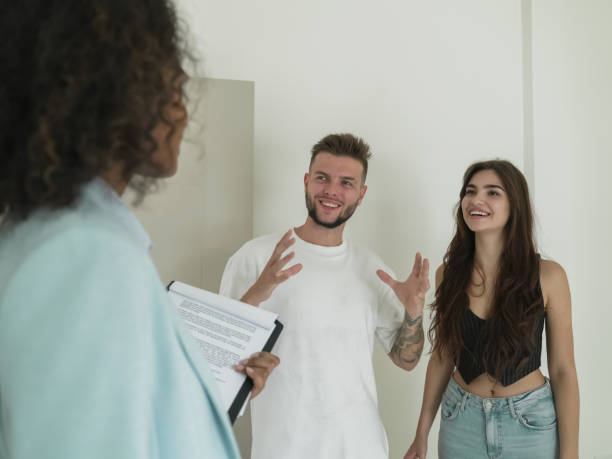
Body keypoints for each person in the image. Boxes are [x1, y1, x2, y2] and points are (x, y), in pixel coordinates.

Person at [0, 1, 278, 458]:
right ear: (110, 94)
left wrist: (198, 395)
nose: (183, 115)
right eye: (171, 90)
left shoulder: (47, 235)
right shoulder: (84, 259)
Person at [220, 133, 430, 459]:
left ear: (361, 194)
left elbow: (407, 361)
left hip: (362, 448)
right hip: (284, 448)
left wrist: (414, 312)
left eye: (346, 183)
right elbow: (220, 361)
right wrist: (255, 294)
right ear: (306, 181)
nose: (332, 191)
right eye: (322, 178)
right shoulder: (256, 256)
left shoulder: (371, 268)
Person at [404, 160, 579, 459]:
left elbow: (563, 370)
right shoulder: (448, 274)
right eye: (470, 191)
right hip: (461, 419)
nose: (476, 200)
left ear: (515, 205)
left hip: (529, 424)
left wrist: (571, 453)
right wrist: (421, 434)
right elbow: (443, 356)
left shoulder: (548, 276)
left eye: (492, 192)